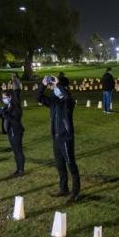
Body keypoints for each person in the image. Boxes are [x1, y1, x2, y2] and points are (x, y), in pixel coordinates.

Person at [37, 74, 81, 203]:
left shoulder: (68, 102)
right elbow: (39, 97)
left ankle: (76, 192)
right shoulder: (54, 101)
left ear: (63, 87)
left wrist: (59, 84)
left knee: (71, 164)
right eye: (54, 86)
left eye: (56, 86)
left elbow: (67, 96)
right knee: (59, 164)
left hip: (66, 138)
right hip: (56, 138)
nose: (54, 88)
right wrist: (43, 85)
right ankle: (63, 188)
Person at [0, 90, 25, 177]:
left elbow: (15, 121)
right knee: (15, 151)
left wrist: (4, 114)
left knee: (18, 151)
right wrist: (0, 113)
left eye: (5, 97)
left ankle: (21, 170)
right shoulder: (7, 106)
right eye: (2, 97)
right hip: (10, 131)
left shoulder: (16, 107)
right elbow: (4, 116)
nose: (3, 99)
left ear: (10, 97)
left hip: (16, 131)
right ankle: (18, 169)